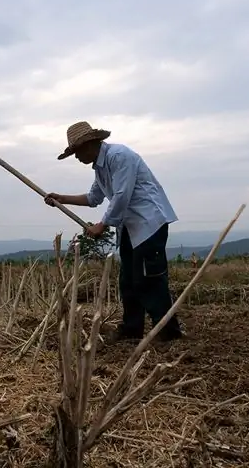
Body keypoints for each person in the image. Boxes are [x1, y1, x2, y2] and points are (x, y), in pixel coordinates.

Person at [44, 121, 184, 344]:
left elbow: (122, 195)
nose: (77, 158)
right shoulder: (100, 168)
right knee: (128, 280)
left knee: (149, 278)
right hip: (129, 227)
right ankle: (132, 329)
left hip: (149, 222)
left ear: (89, 144)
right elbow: (93, 198)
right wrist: (62, 199)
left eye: (77, 152)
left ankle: (169, 332)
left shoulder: (119, 156)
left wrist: (102, 224)